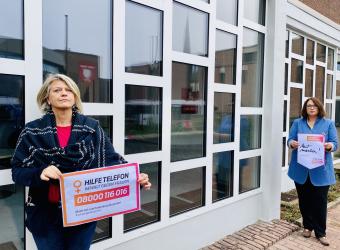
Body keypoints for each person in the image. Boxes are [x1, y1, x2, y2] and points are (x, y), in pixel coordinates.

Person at [11, 74, 151, 250]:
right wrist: (40, 172)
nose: (64, 93)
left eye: (69, 90)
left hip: (83, 214)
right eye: (57, 90)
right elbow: (17, 172)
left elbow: (112, 161)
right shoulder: (32, 131)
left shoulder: (91, 128)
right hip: (45, 215)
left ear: (75, 96)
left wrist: (134, 178)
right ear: (47, 97)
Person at [287, 97, 337, 246]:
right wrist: (292, 143)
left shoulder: (328, 124)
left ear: (319, 107)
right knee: (304, 200)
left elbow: (335, 144)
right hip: (301, 170)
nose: (311, 108)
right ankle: (307, 227)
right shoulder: (298, 123)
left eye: (314, 105)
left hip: (321, 171)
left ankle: (321, 232)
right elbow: (289, 139)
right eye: (309, 105)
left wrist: (329, 146)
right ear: (305, 108)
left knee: (320, 202)